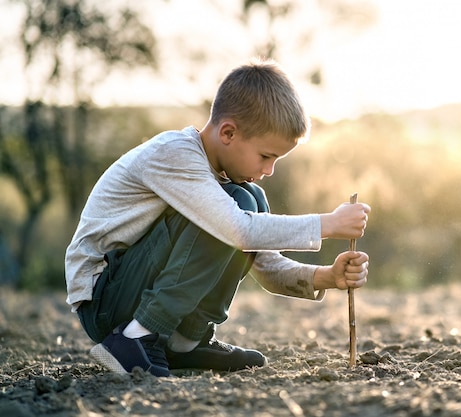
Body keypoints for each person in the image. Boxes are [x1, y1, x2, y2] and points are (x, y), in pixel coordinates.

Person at [65, 58, 371, 377]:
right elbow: (237, 229)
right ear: (228, 132)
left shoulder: (229, 185)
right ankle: (135, 338)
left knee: (247, 199)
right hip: (105, 300)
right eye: (266, 156)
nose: (269, 170)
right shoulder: (175, 154)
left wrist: (326, 276)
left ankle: (185, 343)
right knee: (235, 206)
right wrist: (327, 224)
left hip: (131, 290)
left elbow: (262, 262)